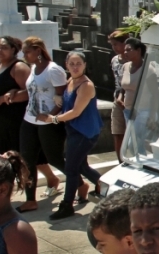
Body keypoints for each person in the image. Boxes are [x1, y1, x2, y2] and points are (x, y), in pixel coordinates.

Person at [38, 51, 104, 220]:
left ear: (85, 65)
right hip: (75, 131)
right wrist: (58, 98)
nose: (75, 67)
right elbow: (67, 102)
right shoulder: (70, 81)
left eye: (78, 63)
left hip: (85, 132)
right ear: (66, 65)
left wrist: (52, 118)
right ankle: (108, 189)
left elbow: (75, 112)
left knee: (71, 168)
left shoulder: (86, 85)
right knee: (81, 167)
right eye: (72, 64)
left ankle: (67, 205)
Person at [17, 36, 66, 213]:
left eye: (28, 51)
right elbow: (32, 91)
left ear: (38, 50)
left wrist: (51, 116)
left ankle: (80, 183)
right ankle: (31, 199)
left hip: (48, 122)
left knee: (54, 158)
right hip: (29, 119)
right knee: (27, 160)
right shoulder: (32, 68)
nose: (25, 55)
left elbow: (62, 97)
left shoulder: (54, 70)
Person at [0, 36, 29, 155]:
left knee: (15, 159)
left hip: (12, 122)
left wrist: (2, 99)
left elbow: (30, 93)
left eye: (4, 47)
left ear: (13, 49)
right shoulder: (0, 65)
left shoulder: (19, 67)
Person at [117, 38, 147, 149]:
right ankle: (141, 163)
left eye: (128, 50)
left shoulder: (147, 68)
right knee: (137, 144)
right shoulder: (125, 66)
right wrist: (120, 97)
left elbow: (155, 92)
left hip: (142, 110)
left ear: (138, 51)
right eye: (125, 50)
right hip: (128, 110)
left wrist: (153, 114)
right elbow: (123, 86)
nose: (125, 52)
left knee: (133, 143)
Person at [108, 31, 129, 161]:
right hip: (117, 99)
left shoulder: (133, 60)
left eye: (116, 44)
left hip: (130, 99)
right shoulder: (114, 60)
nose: (114, 48)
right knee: (117, 132)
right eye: (112, 45)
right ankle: (120, 160)